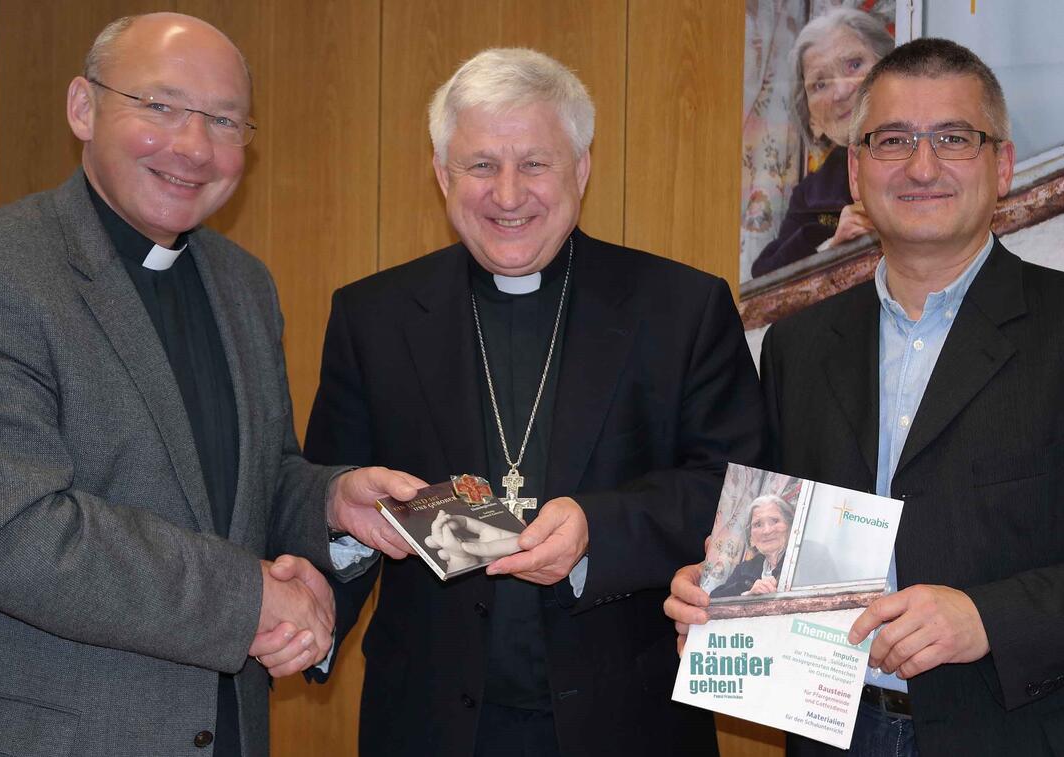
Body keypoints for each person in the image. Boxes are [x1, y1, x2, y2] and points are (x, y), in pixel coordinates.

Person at [0, 13, 420, 757]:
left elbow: (245, 487)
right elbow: (6, 529)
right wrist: (251, 596)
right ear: (82, 106)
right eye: (160, 107)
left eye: (224, 120)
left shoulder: (243, 284)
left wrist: (328, 501)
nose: (193, 147)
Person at [668, 37, 1064, 756]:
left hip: (1018, 733)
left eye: (953, 137)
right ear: (856, 169)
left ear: (1001, 165)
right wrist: (721, 595)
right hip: (835, 731)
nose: (921, 165)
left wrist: (988, 618)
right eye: (891, 140)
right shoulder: (796, 346)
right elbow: (775, 535)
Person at [303, 47, 766, 757]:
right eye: (481, 165)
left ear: (581, 169)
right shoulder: (373, 316)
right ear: (441, 175)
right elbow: (333, 497)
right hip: (430, 726)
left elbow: (736, 494)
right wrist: (311, 595)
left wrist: (596, 526)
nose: (508, 194)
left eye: (535, 164)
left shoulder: (681, 307)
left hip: (629, 722)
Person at [750, 8, 892, 277]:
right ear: (812, 119)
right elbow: (765, 279)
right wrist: (831, 250)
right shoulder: (812, 194)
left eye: (854, 64)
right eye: (820, 84)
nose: (841, 91)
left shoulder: (933, 151)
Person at [710, 494, 794, 598]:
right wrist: (748, 594)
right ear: (751, 536)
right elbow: (714, 599)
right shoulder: (745, 569)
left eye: (774, 521)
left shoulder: (799, 561)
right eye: (758, 524)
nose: (766, 531)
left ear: (790, 525)